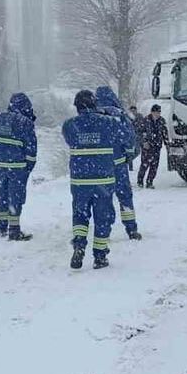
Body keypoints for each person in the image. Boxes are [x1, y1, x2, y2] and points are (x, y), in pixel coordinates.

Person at [62, 90, 131, 269]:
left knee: (80, 215)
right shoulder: (108, 123)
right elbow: (127, 139)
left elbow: (70, 140)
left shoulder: (69, 125)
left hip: (79, 181)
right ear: (95, 104)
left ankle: (78, 246)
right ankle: (100, 256)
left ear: (77, 106)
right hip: (103, 180)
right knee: (103, 217)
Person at [0, 93, 38, 241]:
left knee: (2, 196)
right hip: (17, 167)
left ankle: (2, 227)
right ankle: (14, 230)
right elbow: (31, 149)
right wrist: (28, 166)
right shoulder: (25, 123)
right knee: (15, 196)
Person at [94, 86, 142, 240]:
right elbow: (130, 139)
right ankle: (131, 228)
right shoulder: (120, 115)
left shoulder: (94, 116)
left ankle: (103, 230)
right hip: (118, 163)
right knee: (124, 196)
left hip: (100, 166)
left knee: (102, 198)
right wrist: (129, 156)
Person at [137, 104, 169, 189]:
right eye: (155, 112)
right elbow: (140, 133)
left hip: (157, 146)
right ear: (152, 112)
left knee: (154, 166)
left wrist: (167, 143)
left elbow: (165, 133)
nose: (157, 114)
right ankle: (140, 181)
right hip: (147, 147)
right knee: (144, 164)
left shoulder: (162, 121)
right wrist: (144, 142)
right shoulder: (145, 120)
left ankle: (149, 182)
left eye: (159, 112)